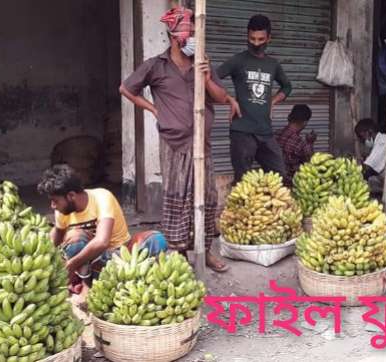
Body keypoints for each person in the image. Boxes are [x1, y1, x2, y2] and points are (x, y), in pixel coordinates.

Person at [119, 6, 234, 272]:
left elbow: (220, 97)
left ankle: (205, 252)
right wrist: (153, 109)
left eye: (196, 33)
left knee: (206, 196)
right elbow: (126, 88)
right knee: (178, 197)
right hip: (174, 144)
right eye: (189, 34)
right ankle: (180, 251)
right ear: (174, 36)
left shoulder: (202, 62)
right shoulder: (156, 66)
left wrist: (205, 78)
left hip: (201, 144)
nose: (193, 38)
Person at [38, 165, 170, 292]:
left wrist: (71, 265)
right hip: (89, 263)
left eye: (55, 201)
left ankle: (143, 282)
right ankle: (86, 285)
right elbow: (57, 234)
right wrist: (41, 260)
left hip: (118, 254)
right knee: (75, 238)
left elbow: (102, 241)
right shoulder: (62, 210)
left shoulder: (102, 197)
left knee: (157, 239)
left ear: (71, 195)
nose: (52, 206)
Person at [217, 14, 293, 183]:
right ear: (247, 36)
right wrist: (229, 99)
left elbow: (287, 87)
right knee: (243, 181)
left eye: (261, 39)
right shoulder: (238, 60)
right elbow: (211, 79)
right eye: (252, 39)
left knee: (279, 176)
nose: (256, 43)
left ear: (269, 38)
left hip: (266, 132)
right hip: (242, 132)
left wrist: (272, 101)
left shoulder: (273, 64)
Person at [275, 104, 316, 185]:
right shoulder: (300, 142)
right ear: (305, 122)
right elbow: (311, 162)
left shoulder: (276, 133)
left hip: (274, 179)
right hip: (291, 182)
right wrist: (310, 143)